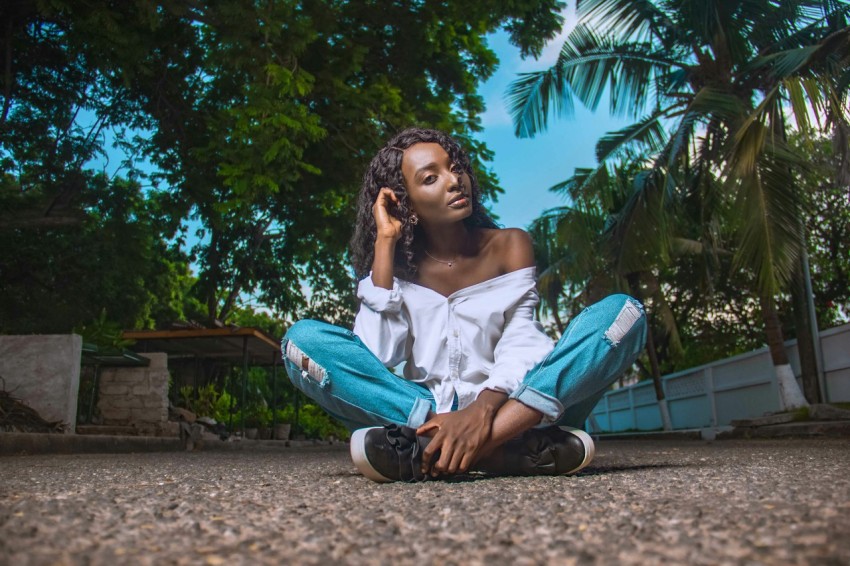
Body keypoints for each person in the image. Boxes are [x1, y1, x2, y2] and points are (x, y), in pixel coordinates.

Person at [282, 127, 646, 482]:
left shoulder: (509, 245)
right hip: (419, 410)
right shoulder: (392, 271)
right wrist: (385, 245)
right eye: (430, 178)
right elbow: (375, 358)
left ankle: (440, 450)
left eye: (455, 166)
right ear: (404, 203)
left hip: (518, 404)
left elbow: (521, 338)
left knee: (624, 313)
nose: (455, 180)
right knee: (301, 342)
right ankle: (500, 453)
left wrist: (481, 412)